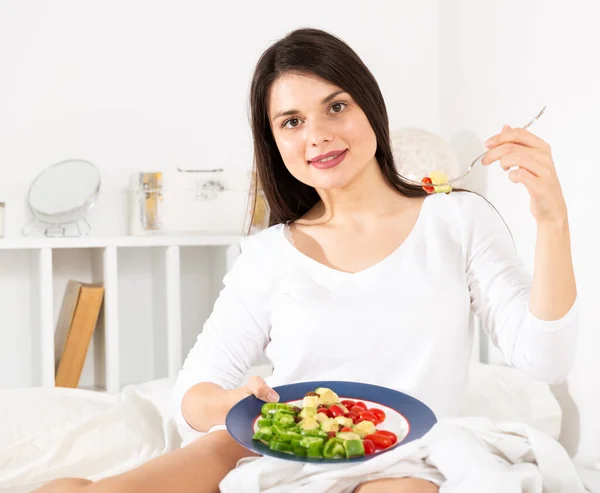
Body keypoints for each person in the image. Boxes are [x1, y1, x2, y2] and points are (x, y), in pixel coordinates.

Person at [35, 27, 577, 493]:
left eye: (336, 107)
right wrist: (233, 404)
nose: (317, 135)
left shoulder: (456, 219)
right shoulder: (268, 256)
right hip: (276, 454)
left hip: (408, 456)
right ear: (273, 141)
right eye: (291, 121)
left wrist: (552, 221)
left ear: (371, 108)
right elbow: (192, 397)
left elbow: (544, 361)